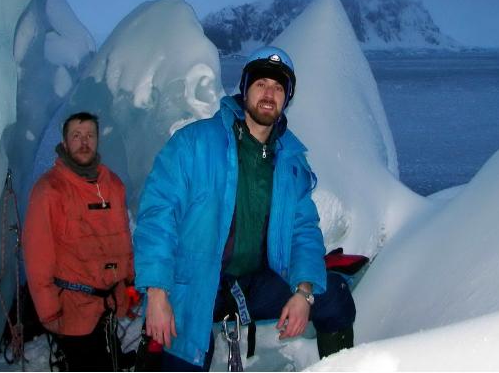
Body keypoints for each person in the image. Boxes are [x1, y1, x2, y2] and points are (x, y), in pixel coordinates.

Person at [134, 47, 356, 370]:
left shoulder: (289, 160)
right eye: (262, 84)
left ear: (286, 99)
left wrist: (304, 292)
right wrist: (157, 293)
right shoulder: (193, 144)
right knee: (183, 355)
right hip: (195, 281)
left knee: (335, 294)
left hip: (254, 282)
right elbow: (157, 217)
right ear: (245, 88)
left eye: (279, 88)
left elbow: (303, 231)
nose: (269, 94)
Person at [23, 111, 134, 371]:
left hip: (109, 304)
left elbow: (123, 242)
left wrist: (127, 287)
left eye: (90, 136)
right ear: (64, 142)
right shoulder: (50, 189)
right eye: (76, 136)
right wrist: (48, 310)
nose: (84, 142)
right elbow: (37, 256)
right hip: (73, 309)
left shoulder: (113, 184)